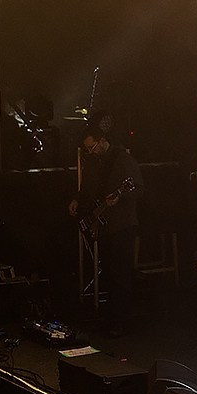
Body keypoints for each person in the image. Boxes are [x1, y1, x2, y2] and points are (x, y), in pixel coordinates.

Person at [68, 126, 144, 337]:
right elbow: (88, 188)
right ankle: (109, 319)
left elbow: (139, 188)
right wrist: (77, 198)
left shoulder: (123, 159)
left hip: (123, 224)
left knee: (121, 274)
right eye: (87, 149)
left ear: (101, 141)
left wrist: (121, 197)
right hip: (105, 225)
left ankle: (121, 322)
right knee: (109, 273)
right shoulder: (94, 162)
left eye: (92, 147)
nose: (90, 152)